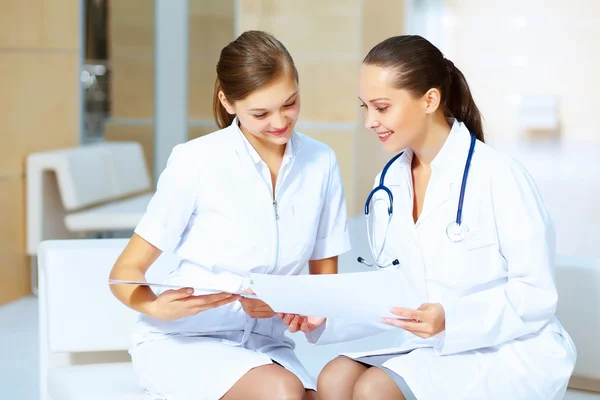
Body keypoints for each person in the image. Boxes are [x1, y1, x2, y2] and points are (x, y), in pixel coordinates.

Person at [287, 35, 577, 400]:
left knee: (374, 388)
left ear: (429, 100)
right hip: (433, 346)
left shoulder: (499, 176)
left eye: (381, 107)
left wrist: (452, 318)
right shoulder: (388, 183)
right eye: (365, 107)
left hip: (509, 348)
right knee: (335, 377)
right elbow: (396, 293)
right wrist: (324, 317)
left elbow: (536, 295)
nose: (369, 122)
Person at [108, 30, 350, 400]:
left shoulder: (321, 163)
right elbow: (123, 273)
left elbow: (324, 288)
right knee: (283, 392)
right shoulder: (196, 161)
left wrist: (301, 307)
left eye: (290, 103)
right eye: (261, 113)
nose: (280, 122)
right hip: (184, 341)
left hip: (267, 346)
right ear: (228, 101)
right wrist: (156, 306)